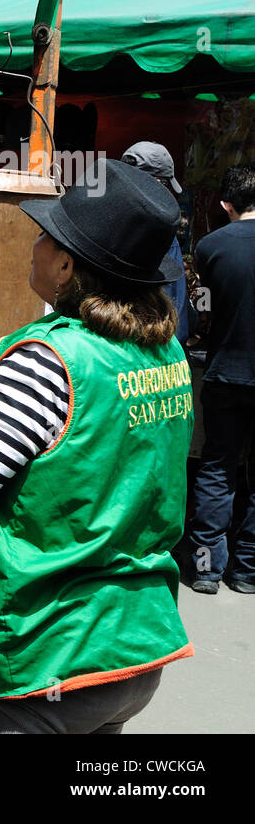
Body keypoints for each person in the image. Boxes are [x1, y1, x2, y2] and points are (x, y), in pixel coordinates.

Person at [0, 160, 193, 733]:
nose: (35, 245)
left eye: (47, 236)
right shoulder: (168, 355)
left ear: (68, 266)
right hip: (129, 647)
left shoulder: (46, 359)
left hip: (36, 654)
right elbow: (99, 439)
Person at [187, 164, 255, 594]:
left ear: (226, 204)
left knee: (217, 467)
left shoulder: (210, 246)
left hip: (225, 373)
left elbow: (202, 308)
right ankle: (247, 570)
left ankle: (207, 568)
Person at [122, 141, 191, 346]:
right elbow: (175, 306)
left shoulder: (101, 219)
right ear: (157, 183)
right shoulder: (162, 229)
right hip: (153, 352)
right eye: (167, 184)